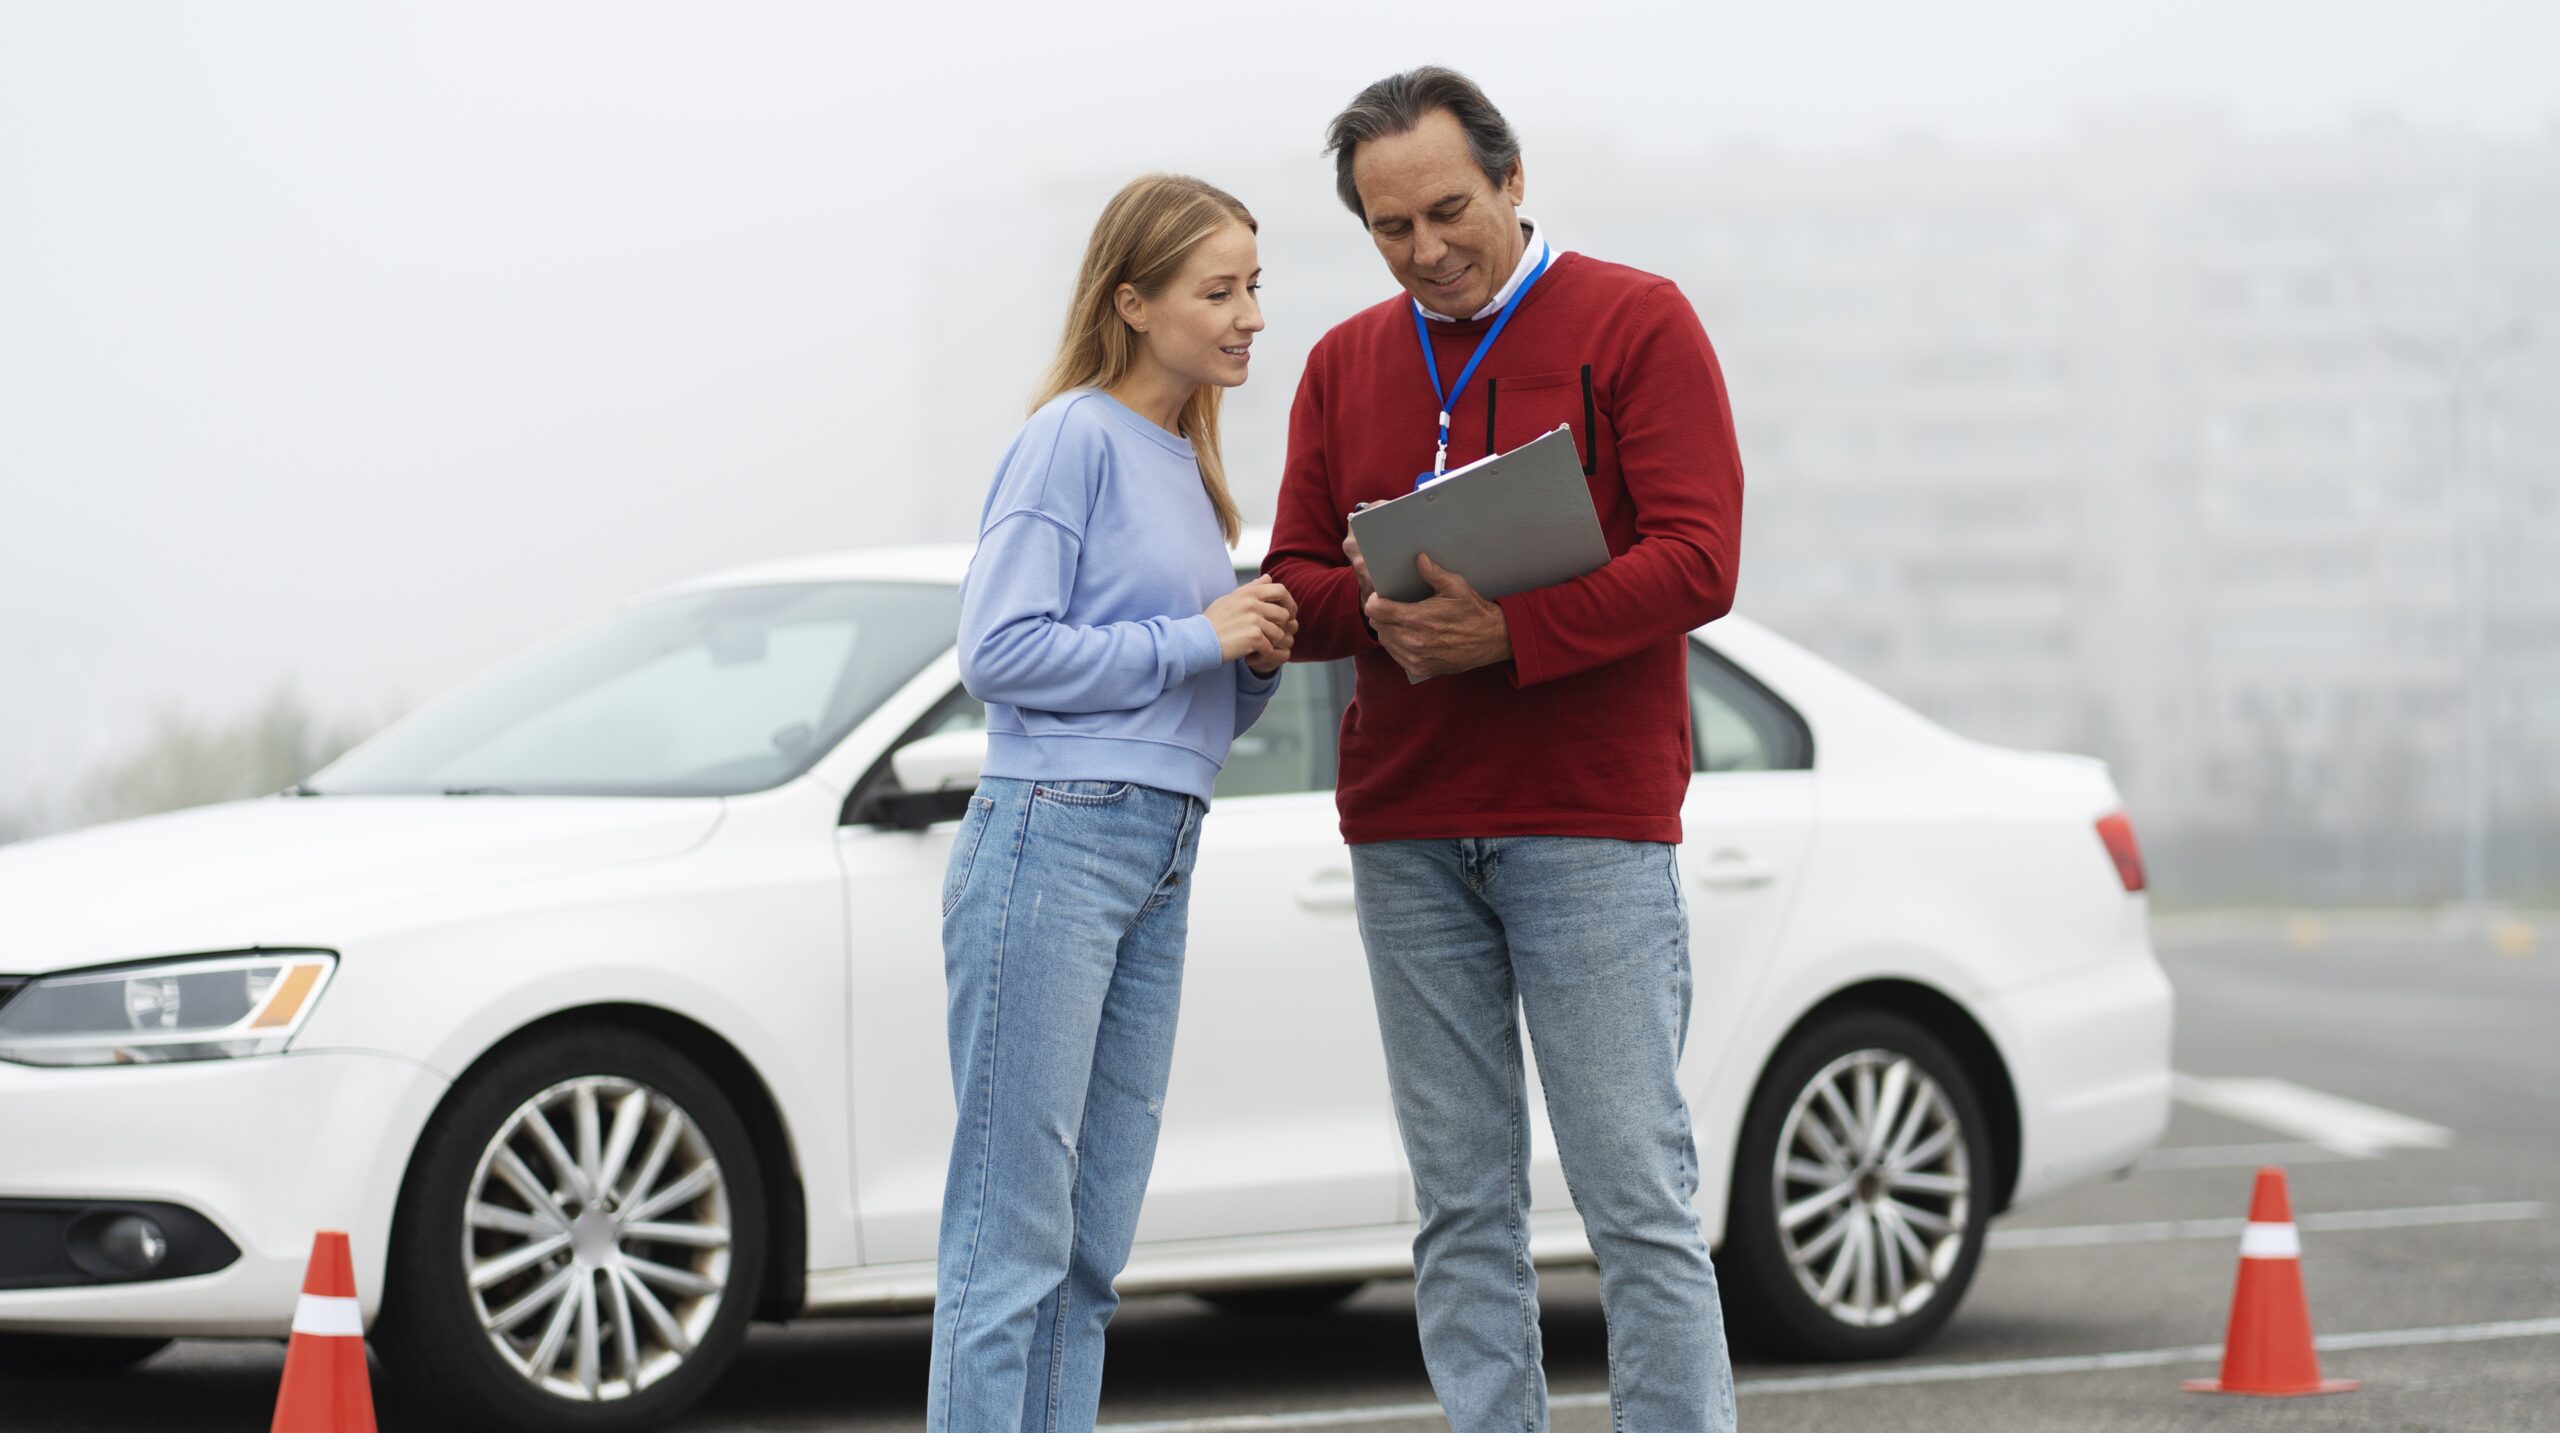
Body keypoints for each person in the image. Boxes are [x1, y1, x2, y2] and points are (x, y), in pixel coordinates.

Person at [1261, 68, 1743, 1431]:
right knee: (1460, 1205)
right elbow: (1297, 577)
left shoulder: (1637, 320)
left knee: (1634, 1194)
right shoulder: (1343, 362)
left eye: (1448, 211)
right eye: (1389, 227)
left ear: (1513, 179)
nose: (1425, 250)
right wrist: (1386, 610)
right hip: (1407, 827)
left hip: (1586, 820)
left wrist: (1510, 633)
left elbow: (1700, 558)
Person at [929, 172, 1296, 1433]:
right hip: (1055, 836)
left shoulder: (1190, 470)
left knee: (1091, 1249)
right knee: (1009, 1236)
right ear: (1132, 302)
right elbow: (998, 650)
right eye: (1219, 290)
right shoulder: (1070, 436)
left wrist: (1251, 660)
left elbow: (1182, 714)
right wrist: (1198, 636)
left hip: (1158, 841)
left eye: (1255, 286)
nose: (1251, 315)